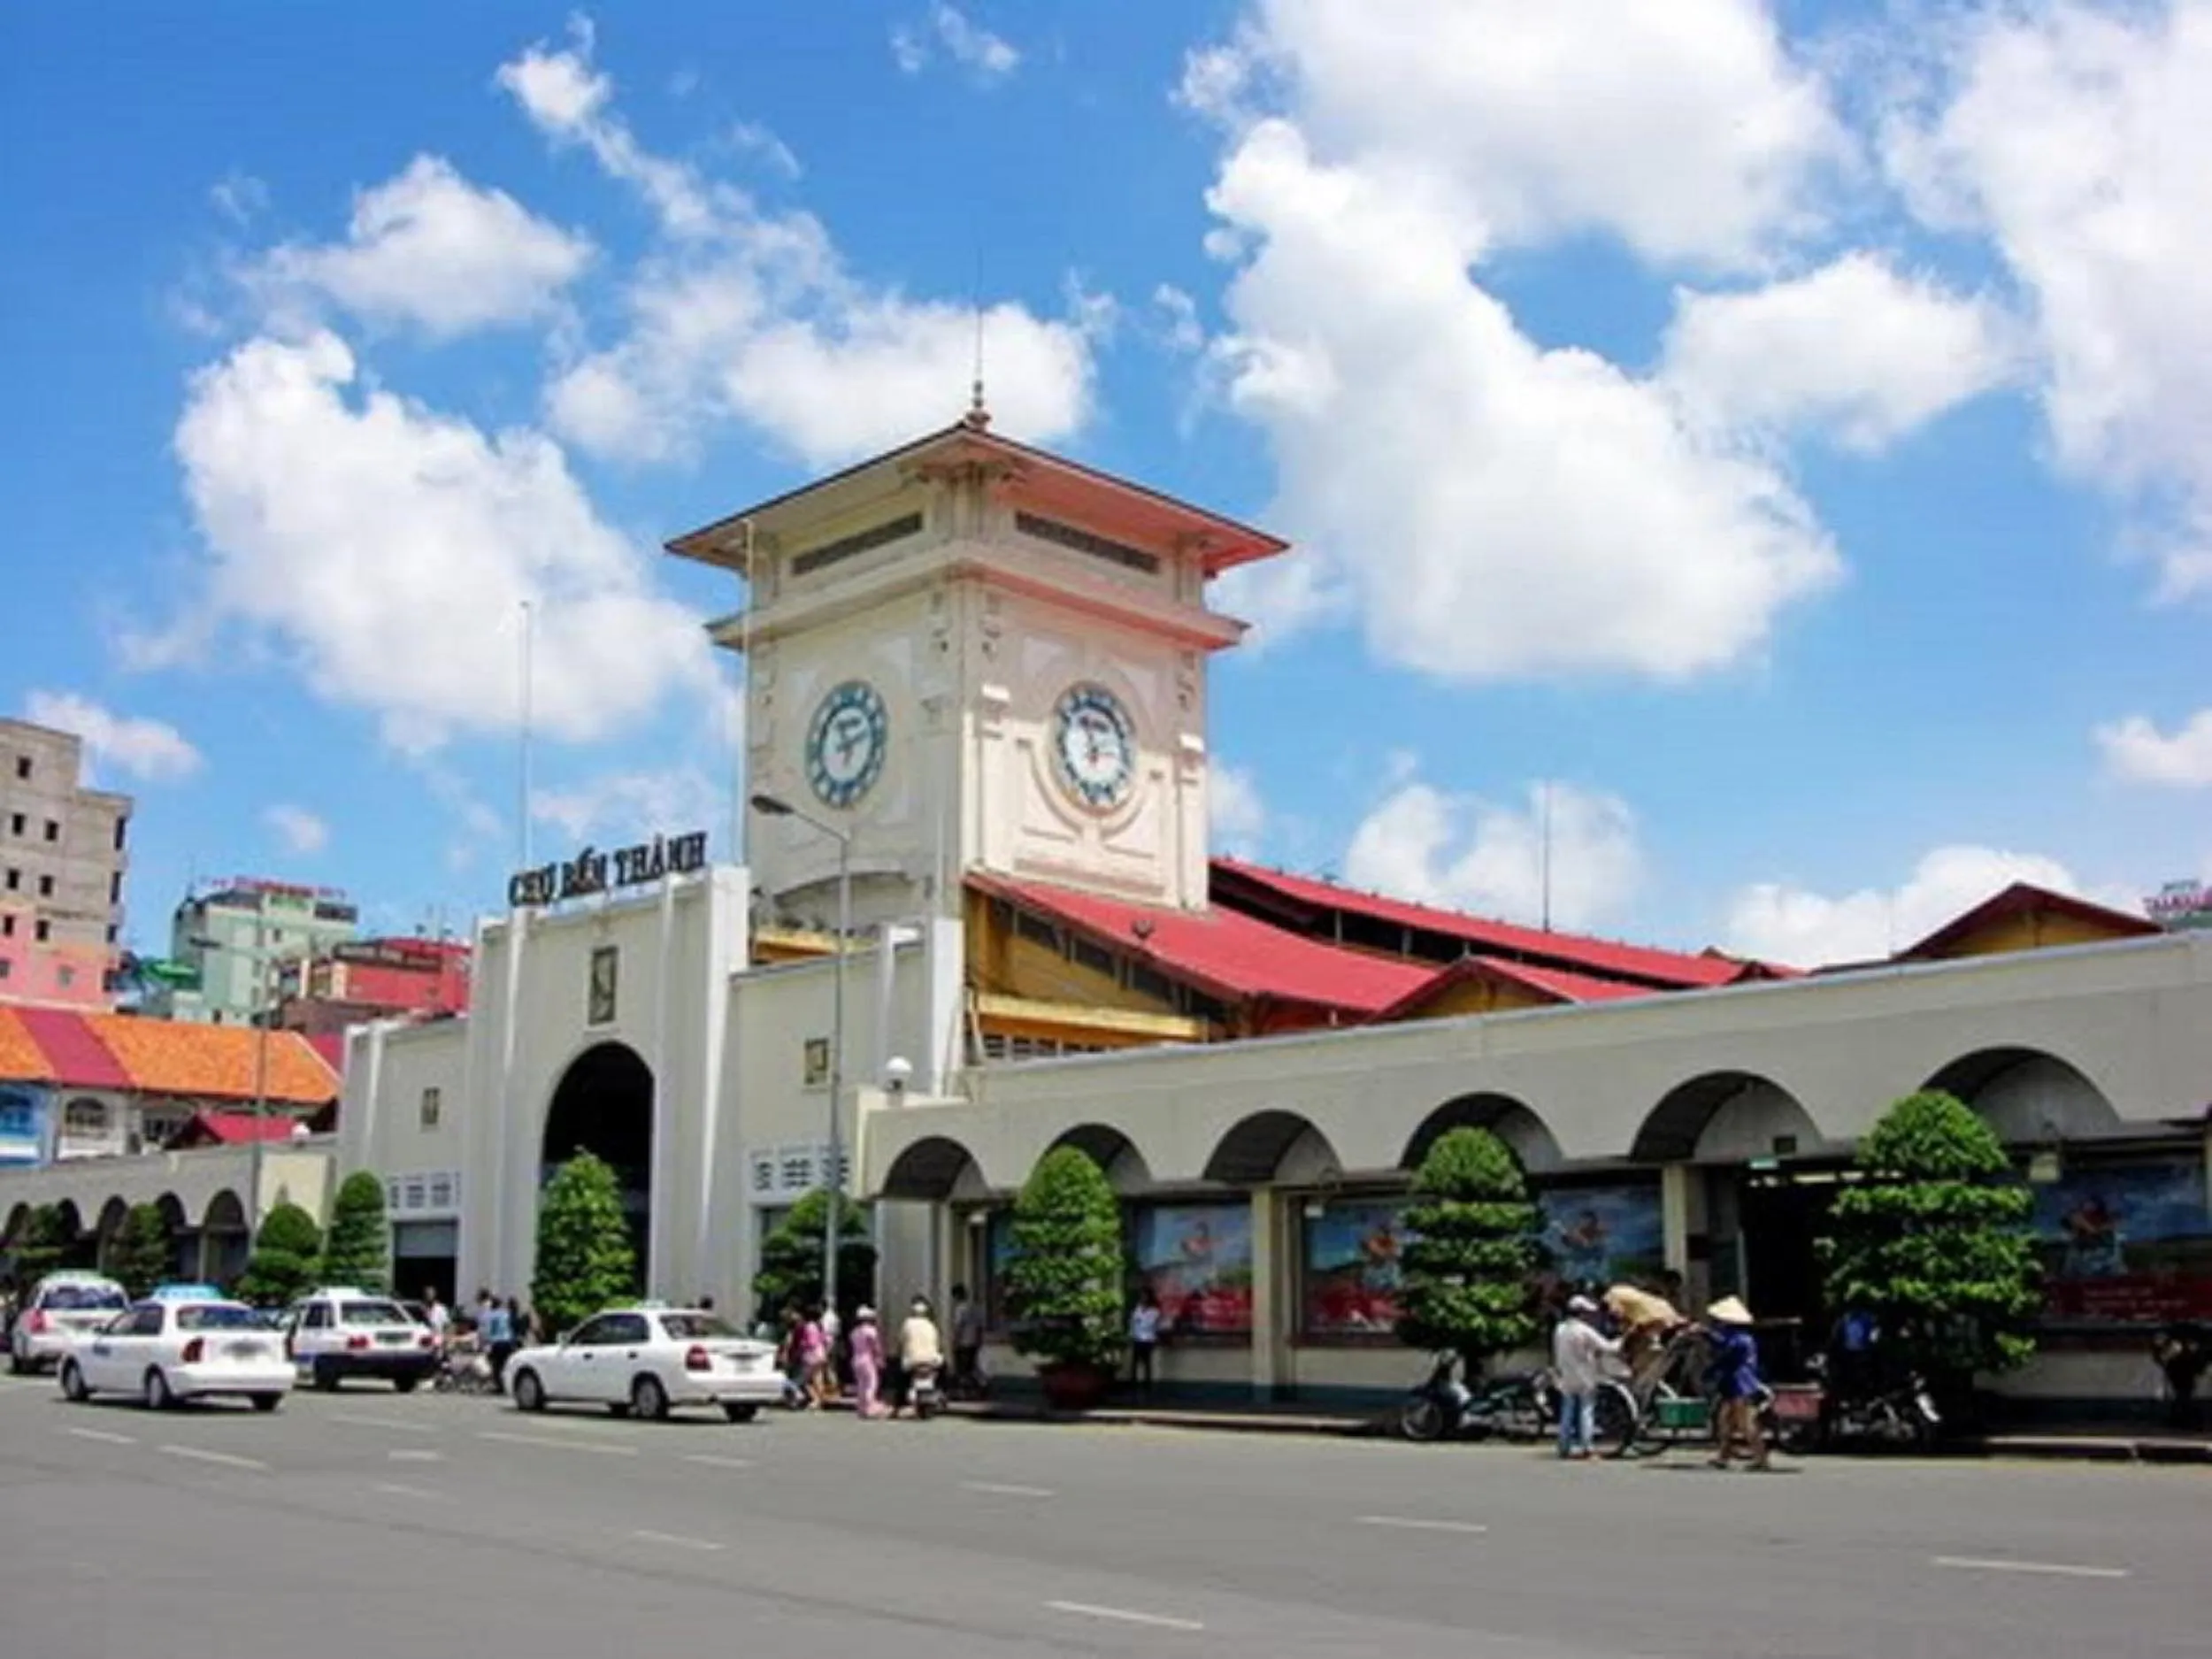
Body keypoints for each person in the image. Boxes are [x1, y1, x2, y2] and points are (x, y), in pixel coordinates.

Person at [1704, 1296, 1770, 1471]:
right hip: (1734, 1383)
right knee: (1725, 1421)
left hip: (1741, 1384)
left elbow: (1725, 1354)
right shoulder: (1740, 1337)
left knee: (1745, 1422)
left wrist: (1710, 1370)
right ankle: (1723, 1456)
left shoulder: (1740, 1339)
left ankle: (1761, 1459)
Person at [1552, 1295, 1620, 1460]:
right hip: (1585, 1375)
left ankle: (1563, 1446)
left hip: (1567, 1374)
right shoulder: (1585, 1330)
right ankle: (1587, 1447)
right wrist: (1623, 1340)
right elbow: (1607, 1347)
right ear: (1581, 1313)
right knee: (1586, 1411)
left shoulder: (1560, 1329)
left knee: (1567, 1411)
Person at [897, 1295, 943, 1417]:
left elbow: (902, 1340)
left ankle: (902, 1402)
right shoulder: (931, 1325)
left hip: (913, 1360)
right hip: (932, 1359)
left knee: (902, 1379)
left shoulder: (908, 1323)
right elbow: (937, 1343)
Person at [849, 1307, 887, 1418]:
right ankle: (869, 1407)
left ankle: (861, 1407)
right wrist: (880, 1357)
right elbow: (875, 1346)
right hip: (867, 1359)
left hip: (856, 1358)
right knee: (872, 1383)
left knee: (861, 1384)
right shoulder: (871, 1331)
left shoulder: (854, 1332)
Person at [949, 1283, 984, 1398]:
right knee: (972, 1367)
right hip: (974, 1341)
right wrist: (979, 1340)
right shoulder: (975, 1308)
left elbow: (958, 1326)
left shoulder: (960, 1309)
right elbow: (980, 1326)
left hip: (963, 1342)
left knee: (962, 1370)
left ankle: (965, 1392)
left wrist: (954, 1341)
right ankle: (979, 1387)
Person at [1129, 1286, 1163, 1395]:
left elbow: (1151, 1324)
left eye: (1145, 1296)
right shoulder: (1137, 1309)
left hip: (1148, 1339)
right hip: (1137, 1338)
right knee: (1134, 1363)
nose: (1143, 1298)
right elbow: (1133, 1323)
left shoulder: (1154, 1311)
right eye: (1142, 1296)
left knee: (1147, 1363)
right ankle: (1133, 1384)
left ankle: (1147, 1386)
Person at [797, 1305, 833, 1408]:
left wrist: (803, 1344)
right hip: (821, 1353)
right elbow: (826, 1340)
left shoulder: (809, 1327)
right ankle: (820, 1400)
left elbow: (810, 1342)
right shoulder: (819, 1326)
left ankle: (815, 1399)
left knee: (806, 1380)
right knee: (818, 1378)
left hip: (811, 1355)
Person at [480, 1294, 515, 1390]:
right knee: (506, 1364)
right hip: (507, 1341)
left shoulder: (489, 1315)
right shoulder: (505, 1314)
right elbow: (510, 1326)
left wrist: (484, 1342)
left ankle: (499, 1385)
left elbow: (486, 1331)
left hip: (496, 1342)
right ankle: (506, 1384)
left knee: (496, 1365)